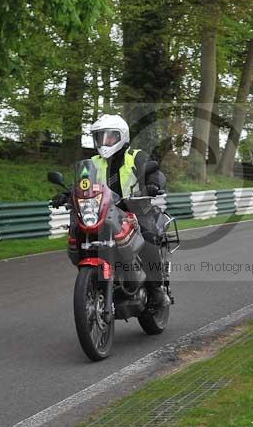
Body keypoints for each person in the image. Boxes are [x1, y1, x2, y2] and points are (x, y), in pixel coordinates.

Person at [59, 114, 170, 308]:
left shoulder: (136, 156)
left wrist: (152, 184)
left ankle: (156, 289)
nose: (104, 142)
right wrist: (68, 194)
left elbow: (154, 172)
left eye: (109, 137)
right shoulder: (92, 163)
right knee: (79, 234)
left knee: (149, 237)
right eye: (100, 137)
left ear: (121, 137)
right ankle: (93, 282)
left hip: (136, 210)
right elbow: (82, 185)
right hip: (103, 212)